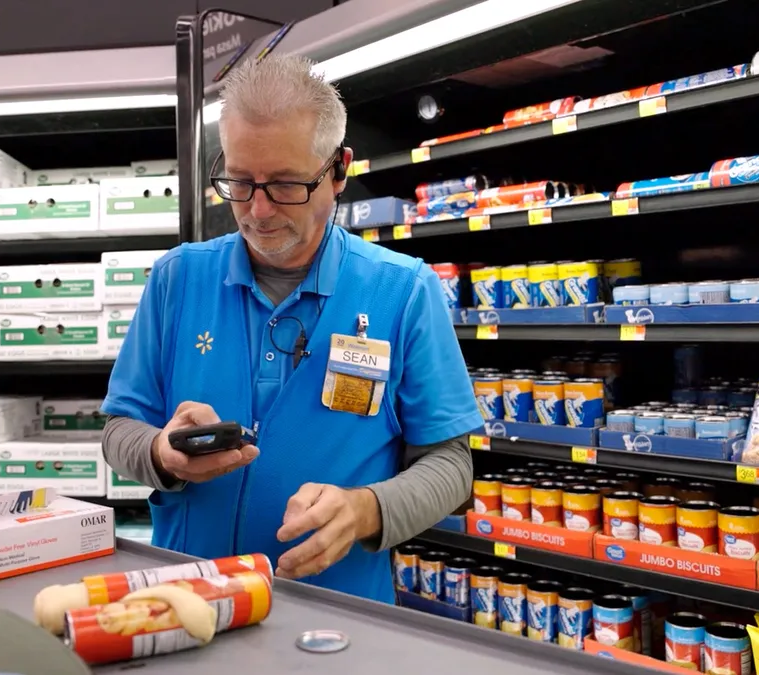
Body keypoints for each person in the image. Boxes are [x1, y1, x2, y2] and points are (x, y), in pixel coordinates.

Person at [101, 53, 481, 603]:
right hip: (185, 601)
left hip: (339, 614)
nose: (256, 210)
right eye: (238, 181)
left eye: (284, 185)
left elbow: (450, 464)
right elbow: (118, 429)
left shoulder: (402, 291)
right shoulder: (177, 278)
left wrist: (366, 510)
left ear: (340, 169)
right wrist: (161, 452)